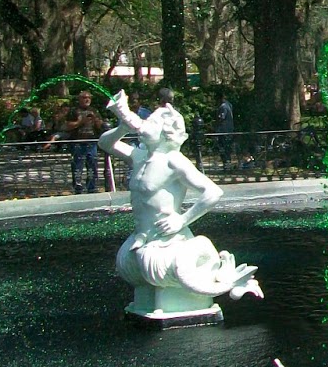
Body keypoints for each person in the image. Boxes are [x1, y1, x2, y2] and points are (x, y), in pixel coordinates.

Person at [101, 85, 261, 304]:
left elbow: (213, 192)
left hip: (167, 242)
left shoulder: (173, 160)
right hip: (140, 239)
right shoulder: (139, 157)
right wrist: (122, 126)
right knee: (137, 272)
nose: (145, 123)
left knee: (156, 273)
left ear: (166, 131)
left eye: (153, 122)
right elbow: (106, 143)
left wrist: (181, 220)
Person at [63, 89, 105, 194]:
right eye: (84, 98)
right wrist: (80, 122)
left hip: (91, 142)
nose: (87, 99)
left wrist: (96, 120)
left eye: (89, 97)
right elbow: (67, 126)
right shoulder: (74, 111)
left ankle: (91, 186)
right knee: (78, 165)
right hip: (77, 142)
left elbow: (101, 126)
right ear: (79, 99)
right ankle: (78, 186)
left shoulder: (94, 111)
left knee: (92, 165)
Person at [214, 94, 235, 168]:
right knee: (227, 147)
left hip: (223, 130)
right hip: (229, 129)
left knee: (223, 147)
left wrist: (216, 125)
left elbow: (221, 117)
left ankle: (226, 163)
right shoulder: (229, 105)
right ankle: (227, 162)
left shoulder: (223, 107)